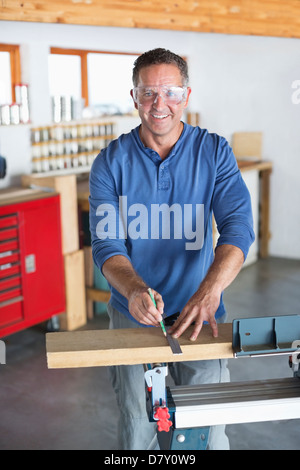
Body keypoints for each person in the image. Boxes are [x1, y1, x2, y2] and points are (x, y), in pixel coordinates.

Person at [89, 48, 254, 450]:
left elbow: (238, 229)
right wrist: (133, 290)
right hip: (133, 316)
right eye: (148, 93)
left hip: (201, 317)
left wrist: (211, 290)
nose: (159, 104)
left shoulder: (214, 153)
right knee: (139, 428)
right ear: (134, 97)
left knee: (205, 431)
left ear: (187, 95)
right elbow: (106, 245)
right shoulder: (110, 163)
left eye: (170, 92)